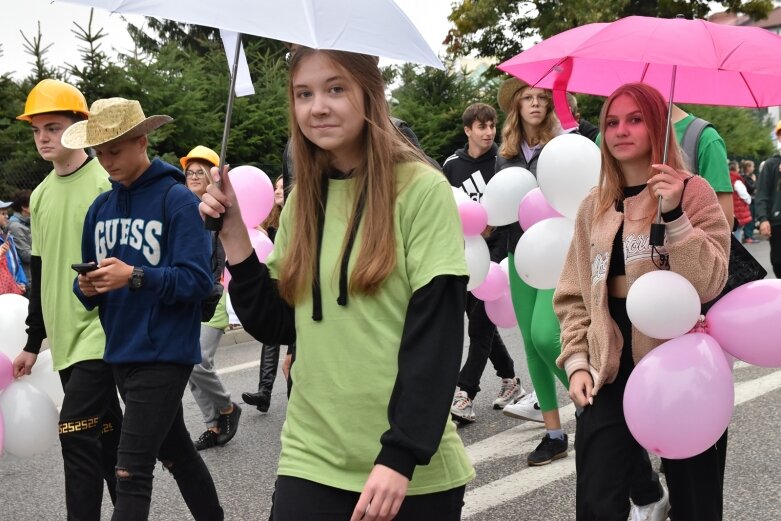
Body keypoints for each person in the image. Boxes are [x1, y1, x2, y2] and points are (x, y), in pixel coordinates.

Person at [201, 47, 474, 521]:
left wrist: (401, 454)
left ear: (370, 94)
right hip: (311, 453)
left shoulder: (422, 190)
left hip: (406, 469)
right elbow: (277, 322)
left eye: (335, 89)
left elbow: (439, 334)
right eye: (303, 93)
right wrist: (234, 235)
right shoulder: (306, 197)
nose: (317, 106)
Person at [555, 82, 730, 521]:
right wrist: (577, 361)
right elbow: (573, 292)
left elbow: (710, 281)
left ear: (656, 126)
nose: (620, 130)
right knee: (597, 497)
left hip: (681, 364)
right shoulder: (593, 205)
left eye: (635, 119)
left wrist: (674, 216)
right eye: (612, 121)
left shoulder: (693, 192)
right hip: (607, 366)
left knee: (696, 498)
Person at [66, 97, 223, 521]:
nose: (106, 161)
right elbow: (89, 289)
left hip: (166, 353)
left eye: (114, 150)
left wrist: (135, 276)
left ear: (141, 140)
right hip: (121, 353)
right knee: (178, 454)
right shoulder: (99, 208)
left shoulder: (178, 201)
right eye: (99, 152)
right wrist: (88, 286)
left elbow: (197, 281)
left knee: (130, 473)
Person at [11, 79, 123, 521]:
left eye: (53, 127)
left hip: (102, 333)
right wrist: (33, 342)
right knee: (108, 438)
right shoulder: (38, 195)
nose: (43, 138)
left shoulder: (105, 185)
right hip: (64, 340)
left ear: (80, 128)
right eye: (37, 130)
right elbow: (40, 273)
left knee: (74, 435)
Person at [493, 76, 571, 466]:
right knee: (529, 343)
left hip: (556, 251)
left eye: (542, 98)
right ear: (517, 107)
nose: (536, 104)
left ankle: (597, 410)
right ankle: (554, 434)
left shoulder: (565, 143)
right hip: (517, 254)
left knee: (545, 335)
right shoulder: (504, 154)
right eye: (528, 98)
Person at [443, 102, 524, 423]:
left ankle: (466, 393)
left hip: (499, 255)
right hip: (465, 255)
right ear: (468, 131)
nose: (489, 132)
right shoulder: (450, 165)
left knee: (479, 324)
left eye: (492, 125)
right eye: (481, 127)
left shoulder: (503, 162)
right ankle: (511, 381)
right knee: (479, 320)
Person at [181, 145, 242, 450]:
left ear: (209, 176)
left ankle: (229, 408)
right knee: (189, 366)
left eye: (198, 172)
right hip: (186, 298)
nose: (192, 176)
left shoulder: (217, 211)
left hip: (210, 295)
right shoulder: (179, 209)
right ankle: (213, 425)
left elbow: (220, 257)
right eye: (189, 172)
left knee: (198, 363)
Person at [242, 175, 296, 412]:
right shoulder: (270, 222)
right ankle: (264, 392)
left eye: (282, 187)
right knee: (270, 339)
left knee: (291, 361)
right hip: (277, 286)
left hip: (298, 291)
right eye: (275, 186)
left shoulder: (302, 216)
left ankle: (298, 404)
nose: (277, 190)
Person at [756, 122, 781, 277]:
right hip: (778, 222)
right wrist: (763, 218)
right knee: (778, 262)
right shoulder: (771, 164)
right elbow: (762, 193)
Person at [0, 200, 28, 295]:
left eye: (7, 213)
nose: (7, 216)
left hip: (14, 288)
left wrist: (22, 281)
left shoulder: (8, 237)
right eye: (3, 214)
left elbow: (17, 262)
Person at [7, 189, 32, 286]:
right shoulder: (16, 227)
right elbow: (26, 255)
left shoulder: (26, 223)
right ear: (24, 207)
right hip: (26, 281)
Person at [728, 160, 752, 242]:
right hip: (739, 210)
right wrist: (749, 200)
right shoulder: (737, 180)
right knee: (738, 231)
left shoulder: (726, 178)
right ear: (736, 168)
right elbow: (744, 194)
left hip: (731, 209)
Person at [740, 159, 758, 243]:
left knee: (752, 218)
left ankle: (750, 235)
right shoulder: (744, 177)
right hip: (748, 200)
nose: (754, 168)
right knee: (749, 218)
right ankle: (748, 236)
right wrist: (754, 181)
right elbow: (750, 188)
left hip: (752, 199)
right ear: (747, 167)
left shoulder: (749, 176)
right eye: (752, 166)